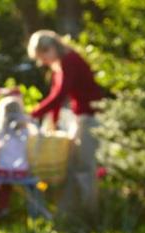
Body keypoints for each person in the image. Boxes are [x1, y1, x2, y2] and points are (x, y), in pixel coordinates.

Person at [27, 29, 103, 218]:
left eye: (42, 56)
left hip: (89, 117)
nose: (42, 62)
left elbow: (60, 95)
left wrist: (33, 113)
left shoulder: (70, 61)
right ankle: (70, 212)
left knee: (85, 167)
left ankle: (90, 214)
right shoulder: (59, 66)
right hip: (78, 118)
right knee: (71, 165)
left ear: (50, 48)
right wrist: (51, 122)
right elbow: (57, 98)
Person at [0, 95, 37, 213]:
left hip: (3, 172)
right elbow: (34, 141)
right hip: (22, 172)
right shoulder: (27, 129)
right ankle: (32, 209)